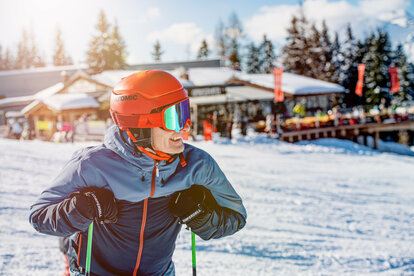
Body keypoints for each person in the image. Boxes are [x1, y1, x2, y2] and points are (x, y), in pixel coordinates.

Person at [29, 70, 247, 276]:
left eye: (185, 113)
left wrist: (201, 216)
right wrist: (83, 208)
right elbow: (39, 216)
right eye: (175, 118)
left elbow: (236, 217)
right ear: (139, 123)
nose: (185, 128)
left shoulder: (197, 166)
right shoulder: (91, 165)